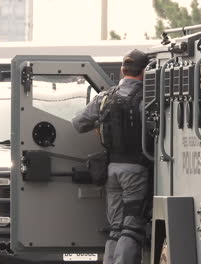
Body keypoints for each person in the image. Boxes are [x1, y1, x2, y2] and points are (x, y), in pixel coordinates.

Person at [72, 49, 150, 264]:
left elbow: (78, 123)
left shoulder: (104, 97)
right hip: (136, 170)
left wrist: (101, 124)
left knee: (115, 228)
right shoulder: (147, 99)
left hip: (111, 170)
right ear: (144, 71)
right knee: (131, 227)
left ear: (122, 70)